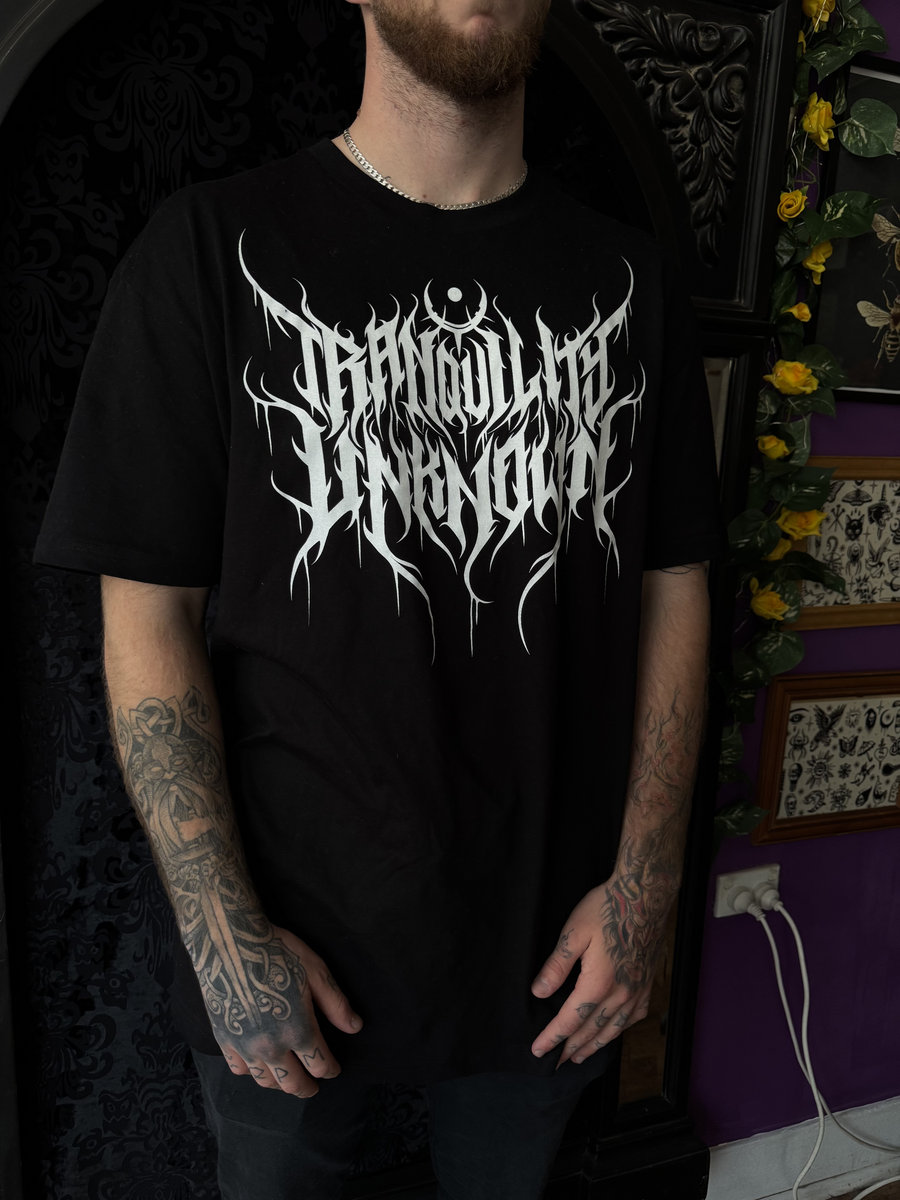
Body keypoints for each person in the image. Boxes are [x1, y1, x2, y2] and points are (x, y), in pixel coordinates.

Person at [35, 0, 721, 1196]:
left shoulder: (630, 282)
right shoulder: (209, 246)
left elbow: (675, 588)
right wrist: (222, 933)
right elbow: (146, 616)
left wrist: (645, 886)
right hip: (286, 951)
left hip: (555, 953)